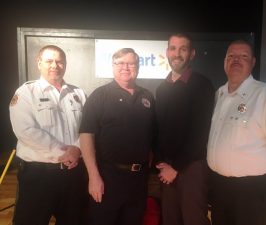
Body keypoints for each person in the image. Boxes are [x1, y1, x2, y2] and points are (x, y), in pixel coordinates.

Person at [207, 39, 266, 225]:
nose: (236, 60)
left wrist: (265, 172)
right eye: (231, 56)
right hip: (220, 188)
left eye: (243, 56)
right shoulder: (219, 94)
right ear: (224, 61)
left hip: (253, 192)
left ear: (253, 62)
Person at [9, 45, 87, 225]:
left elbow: (88, 128)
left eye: (59, 61)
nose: (55, 65)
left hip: (73, 175)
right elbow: (25, 130)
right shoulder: (26, 92)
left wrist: (77, 150)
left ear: (65, 64)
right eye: (49, 61)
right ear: (39, 63)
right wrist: (64, 152)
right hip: (38, 176)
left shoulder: (78, 93)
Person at [79, 48, 155, 225]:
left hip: (138, 179)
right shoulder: (99, 96)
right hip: (108, 177)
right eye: (120, 63)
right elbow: (86, 135)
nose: (126, 67)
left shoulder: (148, 96)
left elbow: (152, 132)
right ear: (113, 66)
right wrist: (94, 176)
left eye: (131, 63)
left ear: (138, 67)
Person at [155, 33, 215, 225]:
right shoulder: (162, 88)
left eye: (183, 49)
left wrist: (176, 167)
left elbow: (200, 132)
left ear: (192, 54)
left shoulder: (202, 85)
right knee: (170, 219)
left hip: (192, 167)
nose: (177, 53)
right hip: (168, 167)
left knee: (193, 219)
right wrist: (162, 163)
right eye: (173, 48)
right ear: (167, 52)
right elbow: (160, 129)